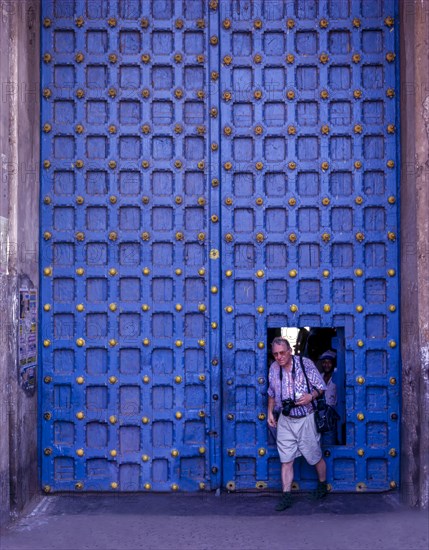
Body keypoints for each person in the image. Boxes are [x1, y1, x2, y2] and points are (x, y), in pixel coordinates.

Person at [267, 337, 328, 511]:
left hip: (306, 418)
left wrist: (311, 396)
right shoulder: (273, 368)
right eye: (276, 354)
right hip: (285, 420)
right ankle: (286, 496)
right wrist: (270, 412)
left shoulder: (304, 364)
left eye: (282, 353)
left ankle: (322, 486)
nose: (279, 357)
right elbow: (271, 392)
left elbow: (321, 387)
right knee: (286, 460)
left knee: (314, 456)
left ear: (290, 351)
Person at [318, 350, 338, 445]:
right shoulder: (319, 377)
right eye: (324, 362)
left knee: (331, 439)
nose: (326, 365)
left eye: (329, 362)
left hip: (334, 413)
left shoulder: (337, 375)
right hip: (321, 413)